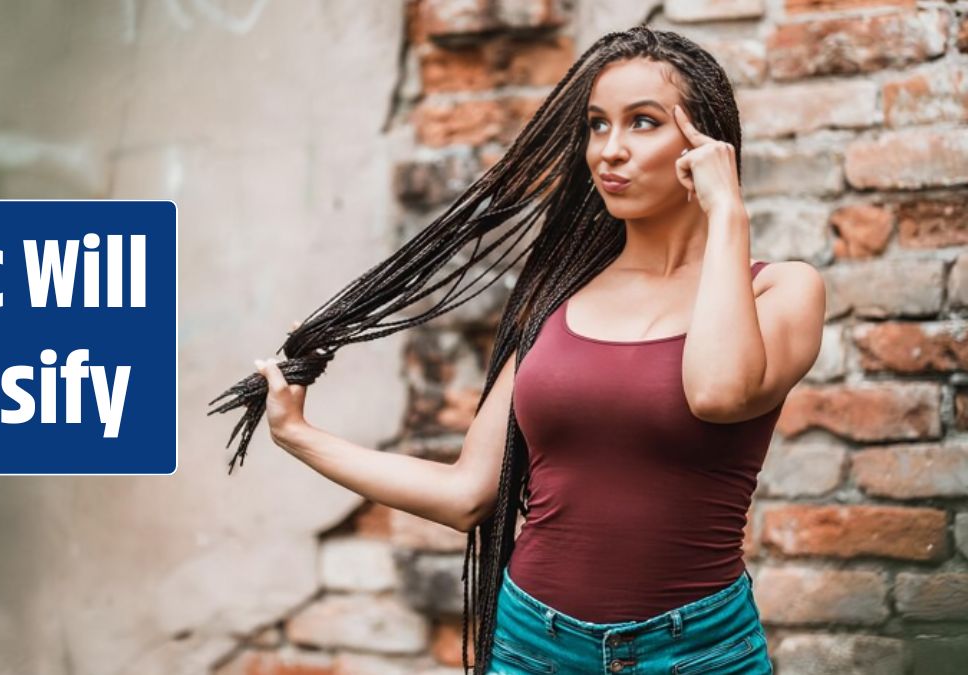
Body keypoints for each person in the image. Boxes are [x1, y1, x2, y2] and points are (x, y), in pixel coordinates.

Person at [242, 26, 825, 674]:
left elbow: (719, 391)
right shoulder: (555, 297)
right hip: (533, 645)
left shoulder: (779, 289)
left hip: (697, 653)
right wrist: (300, 435)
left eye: (643, 123)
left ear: (707, 143)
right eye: (597, 126)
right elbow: (468, 491)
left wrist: (728, 214)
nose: (611, 150)